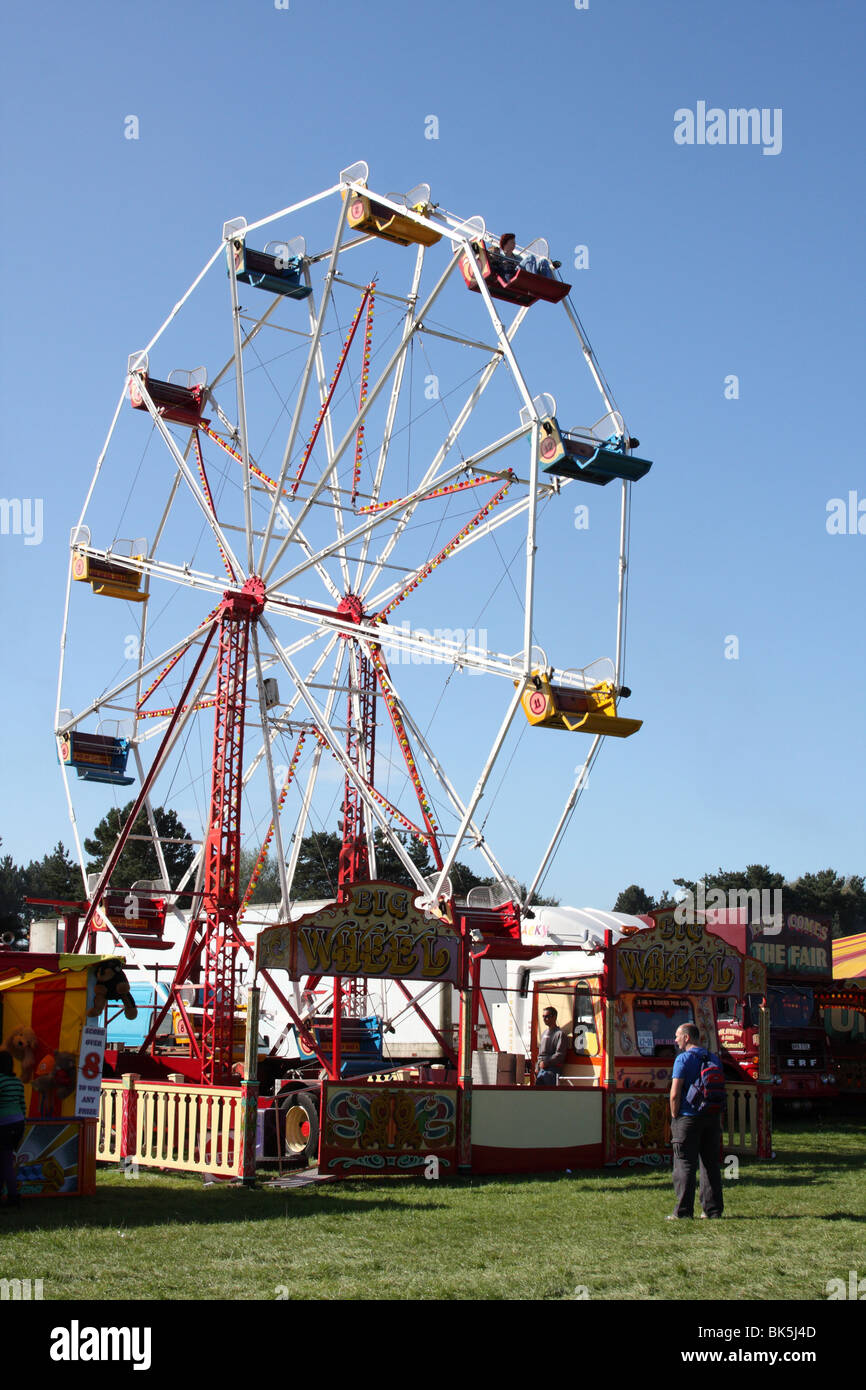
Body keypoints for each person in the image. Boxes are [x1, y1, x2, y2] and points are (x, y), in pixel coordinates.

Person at [667, 1022, 724, 1220]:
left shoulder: (682, 1059)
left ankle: (683, 1212)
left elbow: (675, 1093)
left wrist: (675, 1116)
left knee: (684, 1164)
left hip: (688, 1117)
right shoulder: (713, 1057)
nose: (675, 1040)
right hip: (711, 1116)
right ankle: (712, 1210)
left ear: (687, 1037)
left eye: (677, 1036)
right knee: (710, 1164)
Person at [0, 1050, 26, 1210]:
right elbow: (22, 1104)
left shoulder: (0, 1081)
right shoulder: (17, 1082)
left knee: (6, 1163)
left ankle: (13, 1196)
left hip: (4, 1124)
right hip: (18, 1124)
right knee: (5, 1160)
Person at [536, 1006, 568, 1087]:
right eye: (543, 1016)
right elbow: (540, 1053)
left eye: (547, 1016)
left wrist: (546, 1062)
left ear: (554, 1017)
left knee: (550, 1094)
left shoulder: (560, 1034)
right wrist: (537, 1066)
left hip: (552, 1070)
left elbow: (560, 1054)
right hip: (541, 1069)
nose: (544, 1019)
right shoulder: (543, 1033)